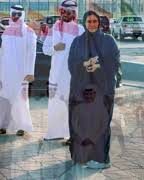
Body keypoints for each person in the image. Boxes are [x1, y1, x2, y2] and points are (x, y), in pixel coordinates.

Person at [68, 10, 119, 169]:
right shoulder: (77, 41)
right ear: (84, 23)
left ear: (99, 23)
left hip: (102, 90)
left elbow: (115, 62)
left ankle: (100, 159)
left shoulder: (108, 41)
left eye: (94, 21)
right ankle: (82, 158)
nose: (92, 24)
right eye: (89, 21)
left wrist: (98, 66)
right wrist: (84, 65)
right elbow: (71, 63)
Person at [42, 0, 84, 142]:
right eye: (63, 11)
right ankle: (55, 133)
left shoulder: (80, 30)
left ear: (74, 13)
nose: (65, 14)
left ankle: (74, 135)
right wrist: (55, 48)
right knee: (55, 103)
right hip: (56, 74)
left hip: (73, 74)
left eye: (69, 12)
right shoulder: (54, 28)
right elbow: (45, 49)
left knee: (73, 104)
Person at [0, 5, 37, 136]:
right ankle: (1, 126)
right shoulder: (6, 31)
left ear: (22, 15)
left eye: (18, 14)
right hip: (6, 73)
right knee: (4, 98)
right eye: (13, 14)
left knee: (20, 99)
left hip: (22, 73)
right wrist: (1, 74)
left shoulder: (29, 32)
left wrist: (30, 72)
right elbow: (3, 53)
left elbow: (32, 53)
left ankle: (21, 126)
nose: (16, 17)